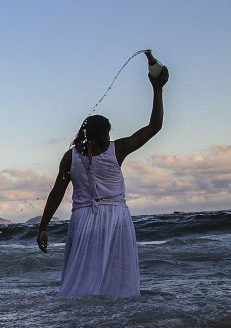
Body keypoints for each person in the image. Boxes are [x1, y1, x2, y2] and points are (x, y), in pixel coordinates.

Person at [37, 64, 169, 297]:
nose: (109, 137)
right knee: (116, 278)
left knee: (83, 274)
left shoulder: (71, 157)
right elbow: (154, 127)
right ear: (100, 136)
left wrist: (43, 227)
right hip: (116, 217)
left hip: (82, 218)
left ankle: (86, 311)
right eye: (107, 133)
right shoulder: (117, 150)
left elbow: (56, 193)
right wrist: (157, 90)